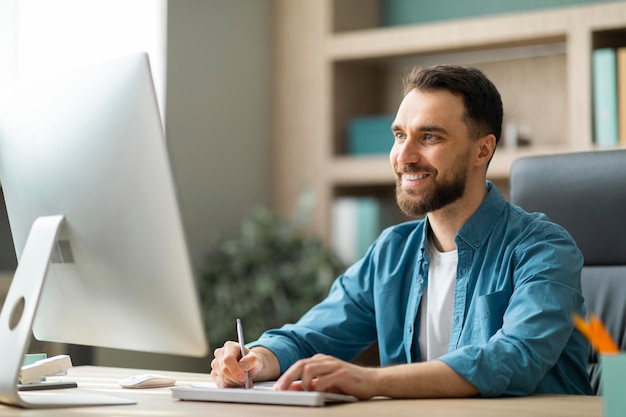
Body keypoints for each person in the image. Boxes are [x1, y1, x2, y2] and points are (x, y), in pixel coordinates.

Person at [210, 65, 593, 399]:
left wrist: (372, 380)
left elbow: (514, 359)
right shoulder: (392, 252)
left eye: (429, 137)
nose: (403, 156)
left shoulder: (544, 248)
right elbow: (309, 337)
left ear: (482, 150)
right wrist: (255, 360)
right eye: (398, 135)